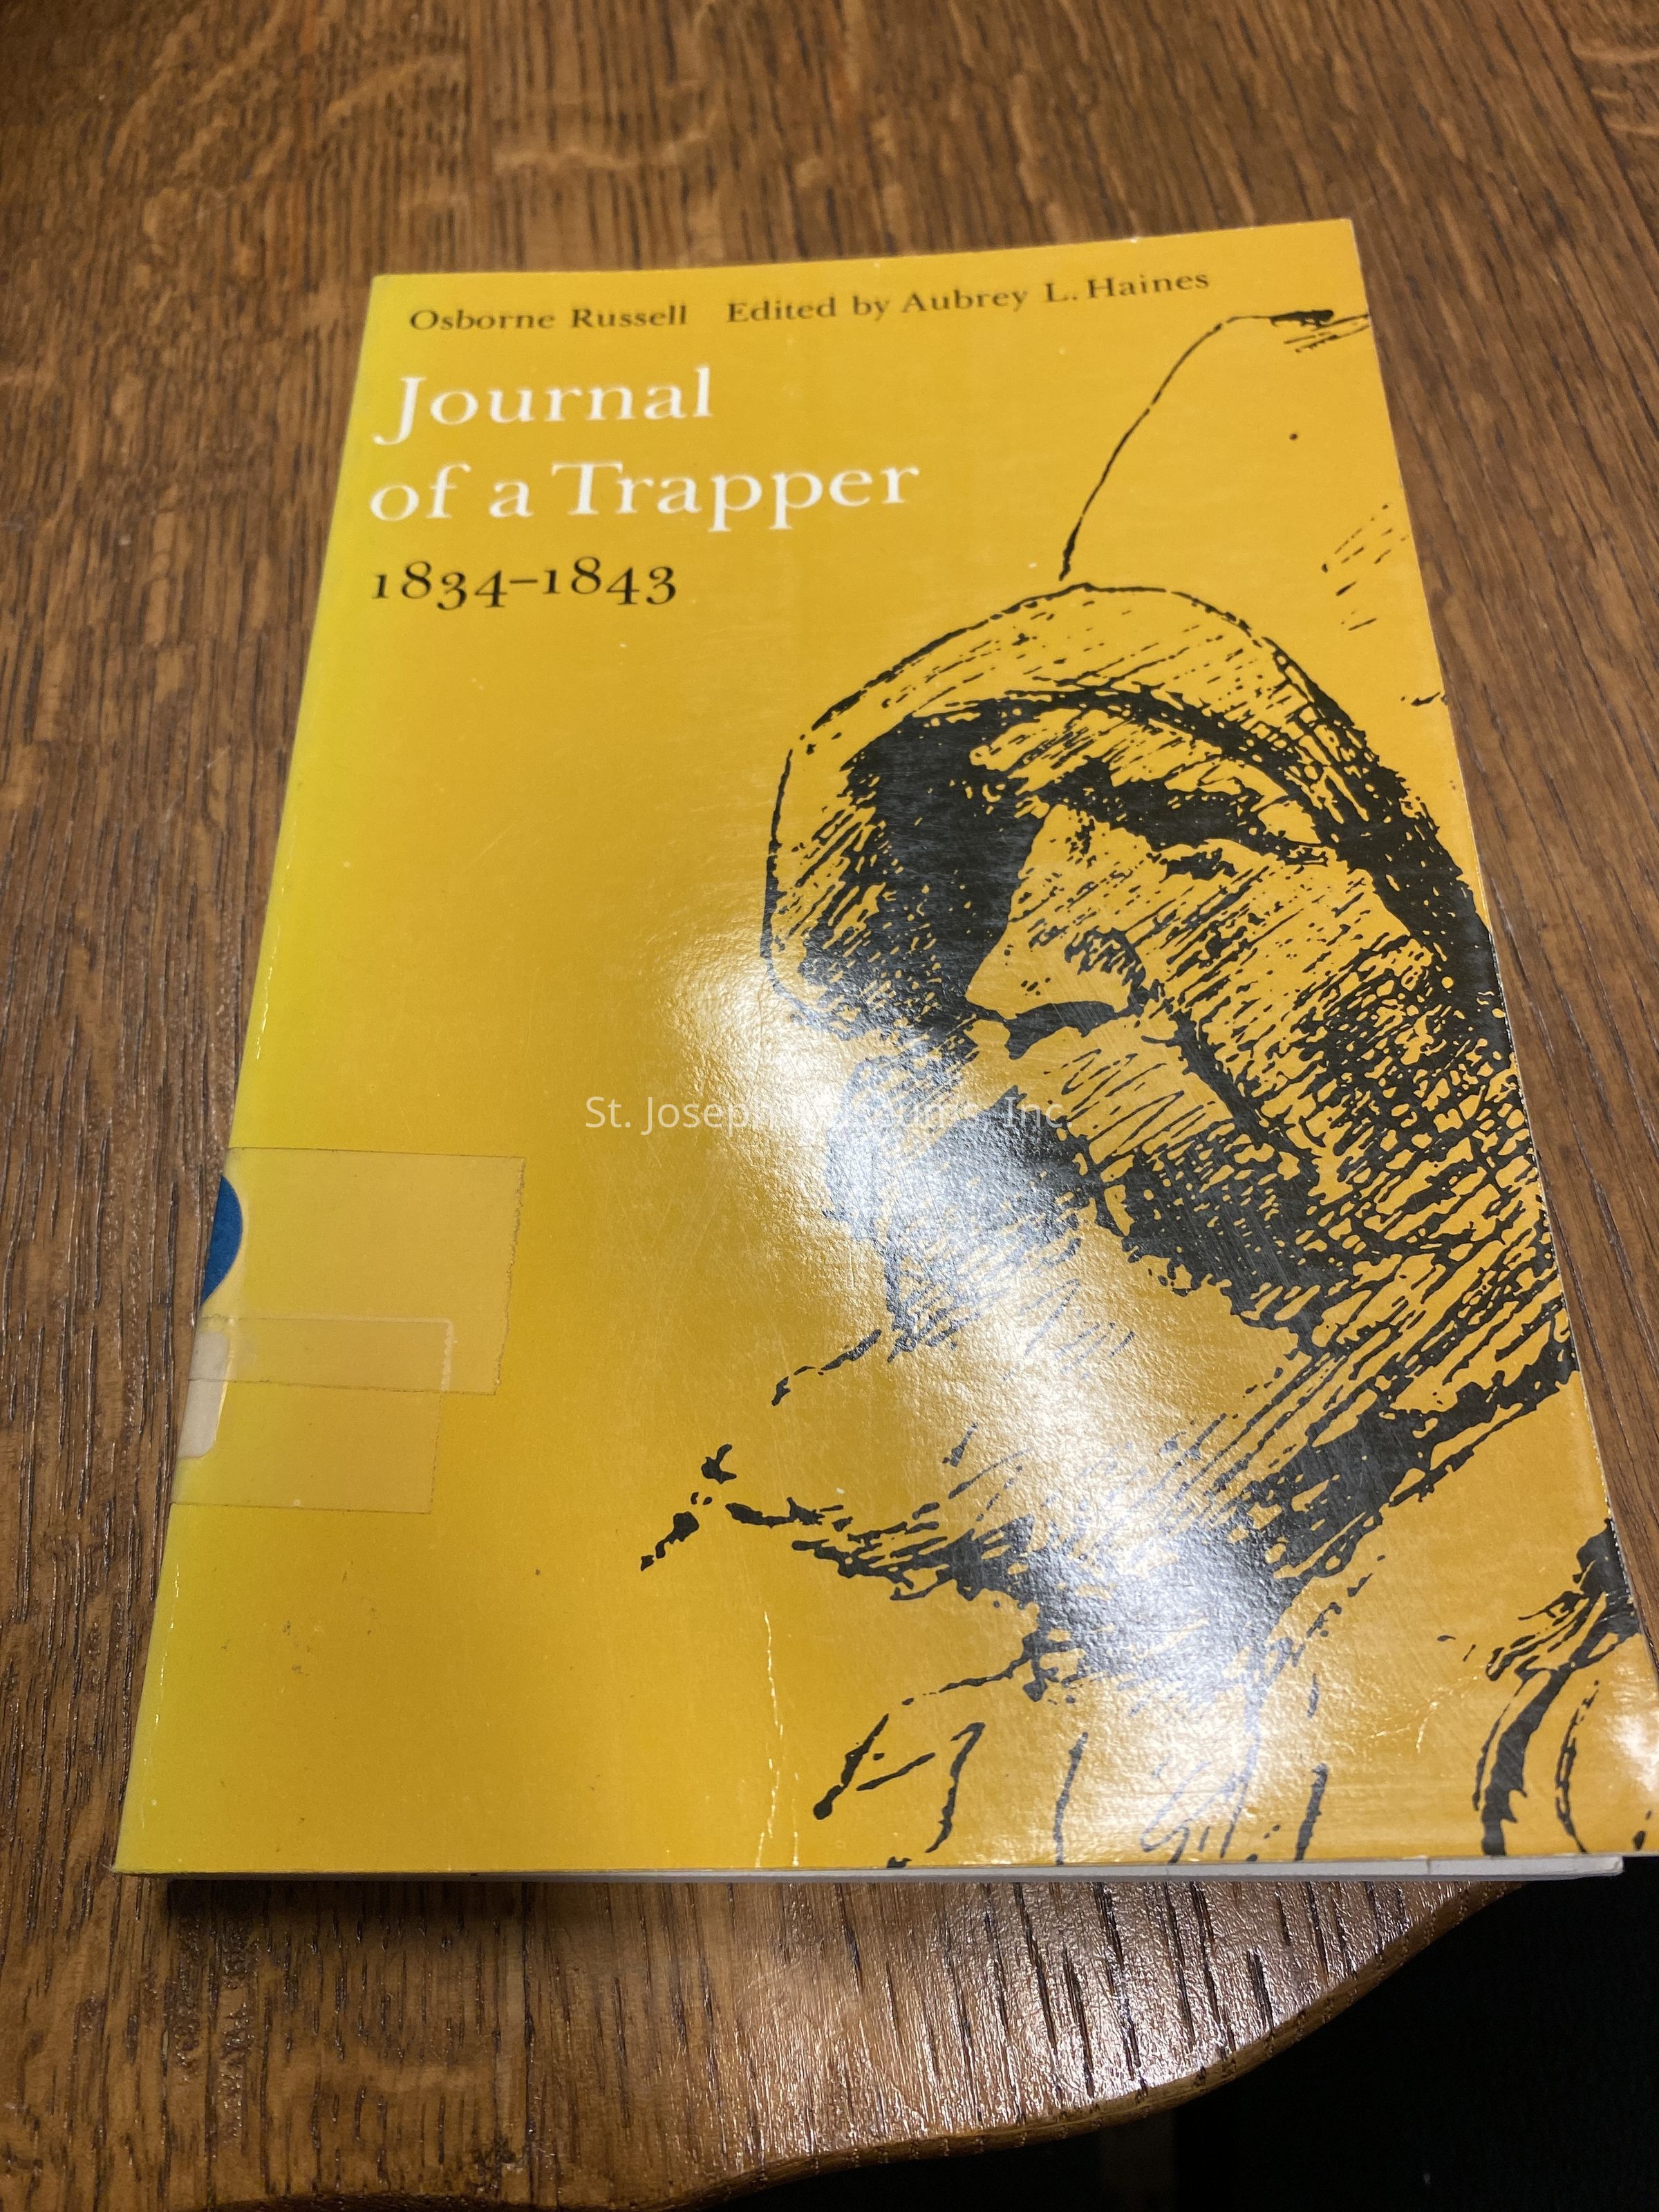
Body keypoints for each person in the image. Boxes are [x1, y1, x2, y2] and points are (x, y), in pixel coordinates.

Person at [650, 315, 1651, 1864]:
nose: (1011, 972)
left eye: (1180, 828)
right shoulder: (908, 1726)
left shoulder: (1581, 1660)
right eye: (1006, 846)